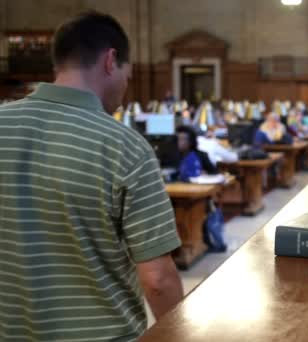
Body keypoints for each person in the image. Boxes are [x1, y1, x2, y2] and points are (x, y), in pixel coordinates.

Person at [0, 12, 184, 341]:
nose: (125, 91)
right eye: (129, 77)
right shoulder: (125, 147)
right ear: (111, 61)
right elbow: (157, 280)